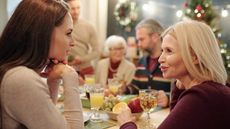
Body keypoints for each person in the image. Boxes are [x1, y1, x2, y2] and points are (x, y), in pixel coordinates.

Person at [118, 20, 230, 129]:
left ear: (194, 56)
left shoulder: (200, 97)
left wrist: (126, 124)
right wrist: (179, 86)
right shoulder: (210, 90)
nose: (160, 59)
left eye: (169, 51)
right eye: (162, 51)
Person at [0, 0, 84, 129]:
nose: (73, 42)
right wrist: (70, 75)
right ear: (44, 34)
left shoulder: (18, 74)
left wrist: (53, 81)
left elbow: (44, 121)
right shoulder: (22, 78)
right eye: (68, 33)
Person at [132, 19, 171, 107]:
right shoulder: (141, 62)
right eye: (138, 40)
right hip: (145, 115)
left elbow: (183, 91)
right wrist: (122, 89)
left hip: (164, 117)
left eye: (141, 39)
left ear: (155, 37)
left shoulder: (170, 61)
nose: (138, 44)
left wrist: (168, 98)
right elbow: (135, 88)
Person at [65, 0, 100, 77]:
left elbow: (97, 51)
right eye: (73, 8)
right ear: (66, 9)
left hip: (86, 69)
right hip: (66, 68)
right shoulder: (61, 26)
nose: (76, 11)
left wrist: (82, 59)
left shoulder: (89, 26)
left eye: (78, 8)